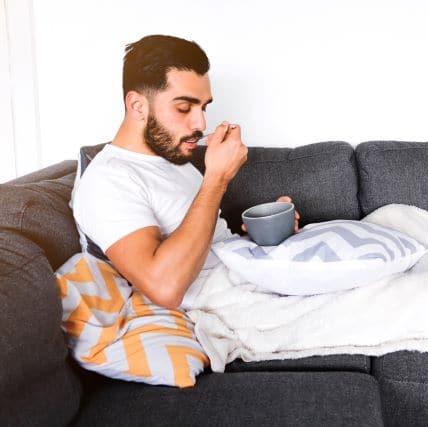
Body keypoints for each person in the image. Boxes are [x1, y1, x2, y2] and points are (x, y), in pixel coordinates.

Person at [71, 34, 299, 309]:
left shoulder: (171, 160)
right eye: (184, 108)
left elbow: (205, 245)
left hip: (254, 275)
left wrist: (264, 233)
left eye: (203, 107)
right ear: (137, 106)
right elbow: (165, 288)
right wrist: (217, 179)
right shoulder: (107, 180)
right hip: (240, 302)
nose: (200, 122)